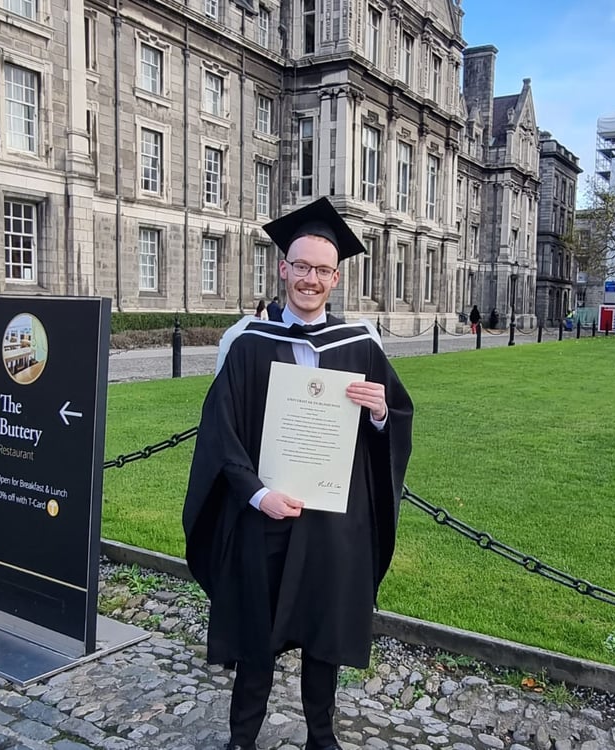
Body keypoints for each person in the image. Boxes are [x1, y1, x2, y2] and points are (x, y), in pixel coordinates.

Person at [183, 197, 413, 750]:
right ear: (283, 267)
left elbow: (393, 424)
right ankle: (242, 738)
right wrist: (256, 495)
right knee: (255, 633)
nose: (310, 279)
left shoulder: (360, 346)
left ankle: (321, 734)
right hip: (266, 514)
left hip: (332, 520)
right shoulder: (248, 346)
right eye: (301, 266)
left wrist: (381, 412)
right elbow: (220, 434)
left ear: (336, 277)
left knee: (323, 625)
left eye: (322, 271)